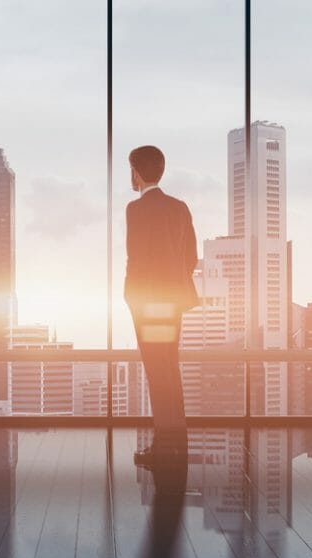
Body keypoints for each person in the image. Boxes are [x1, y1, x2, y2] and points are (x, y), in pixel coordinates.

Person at [123, 145, 198, 466]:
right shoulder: (179, 208)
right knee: (170, 368)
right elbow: (191, 257)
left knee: (157, 371)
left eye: (130, 170)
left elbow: (135, 257)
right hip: (174, 301)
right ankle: (175, 442)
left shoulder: (136, 209)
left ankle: (164, 448)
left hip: (149, 303)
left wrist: (131, 295)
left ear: (136, 172)